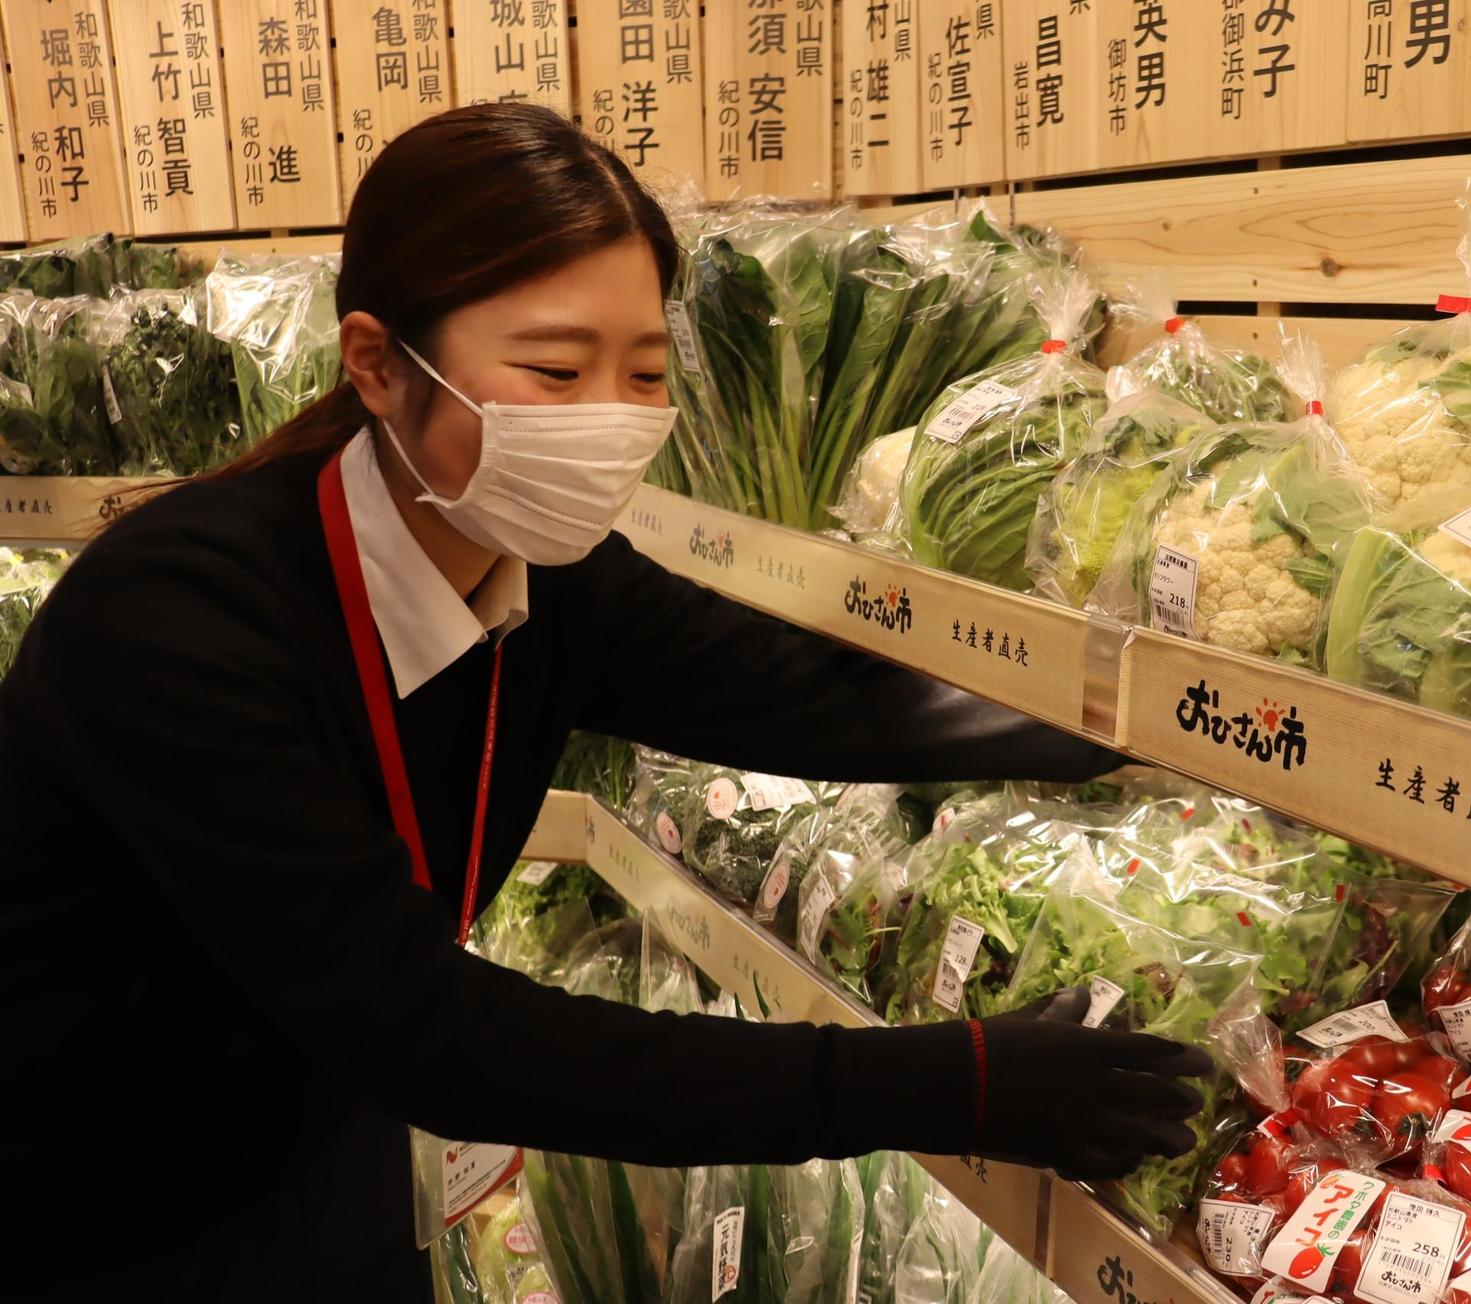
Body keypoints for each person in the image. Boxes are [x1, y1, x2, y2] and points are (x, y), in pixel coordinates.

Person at [0, 104, 1209, 1302]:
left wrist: (1143, 724)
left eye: (643, 374)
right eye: (554, 370)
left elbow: (807, 693)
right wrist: (953, 1082)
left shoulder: (543, 572)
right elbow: (431, 1031)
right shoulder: (177, 621)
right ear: (376, 364)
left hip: (324, 1128)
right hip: (93, 1198)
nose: (611, 421)